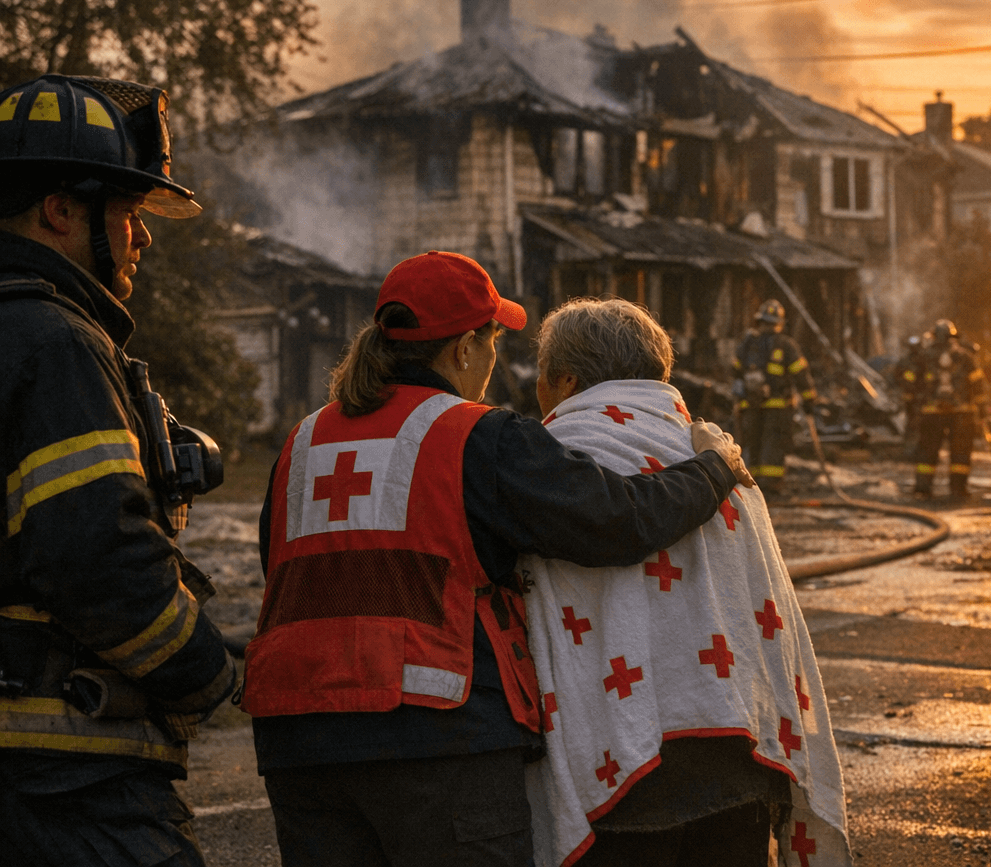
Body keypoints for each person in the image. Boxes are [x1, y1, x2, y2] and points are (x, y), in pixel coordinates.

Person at [240, 251, 754, 867]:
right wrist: (714, 468)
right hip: (437, 738)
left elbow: (284, 570)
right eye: (491, 341)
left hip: (298, 741)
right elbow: (620, 520)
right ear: (464, 349)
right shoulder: (479, 437)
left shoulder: (302, 442)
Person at [0, 75, 238, 865]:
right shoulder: (54, 341)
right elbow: (94, 556)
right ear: (61, 211)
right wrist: (208, 671)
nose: (141, 239)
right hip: (69, 787)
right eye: (130, 213)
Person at [521, 297, 849, 867]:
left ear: (566, 379)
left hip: (616, 781)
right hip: (742, 759)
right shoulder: (724, 461)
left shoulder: (554, 462)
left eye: (542, 379)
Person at [731, 299, 816, 496]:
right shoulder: (786, 345)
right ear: (780, 323)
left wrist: (739, 398)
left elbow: (735, 372)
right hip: (777, 408)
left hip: (750, 406)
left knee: (752, 443)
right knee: (773, 444)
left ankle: (750, 486)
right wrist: (809, 399)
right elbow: (801, 374)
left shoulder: (747, 344)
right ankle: (770, 486)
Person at [912, 319, 985, 502]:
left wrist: (914, 404)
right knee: (960, 454)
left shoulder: (924, 356)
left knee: (927, 452)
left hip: (931, 413)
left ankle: (923, 489)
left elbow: (912, 381)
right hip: (961, 412)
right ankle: (958, 489)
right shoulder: (965, 356)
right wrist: (981, 408)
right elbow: (978, 384)